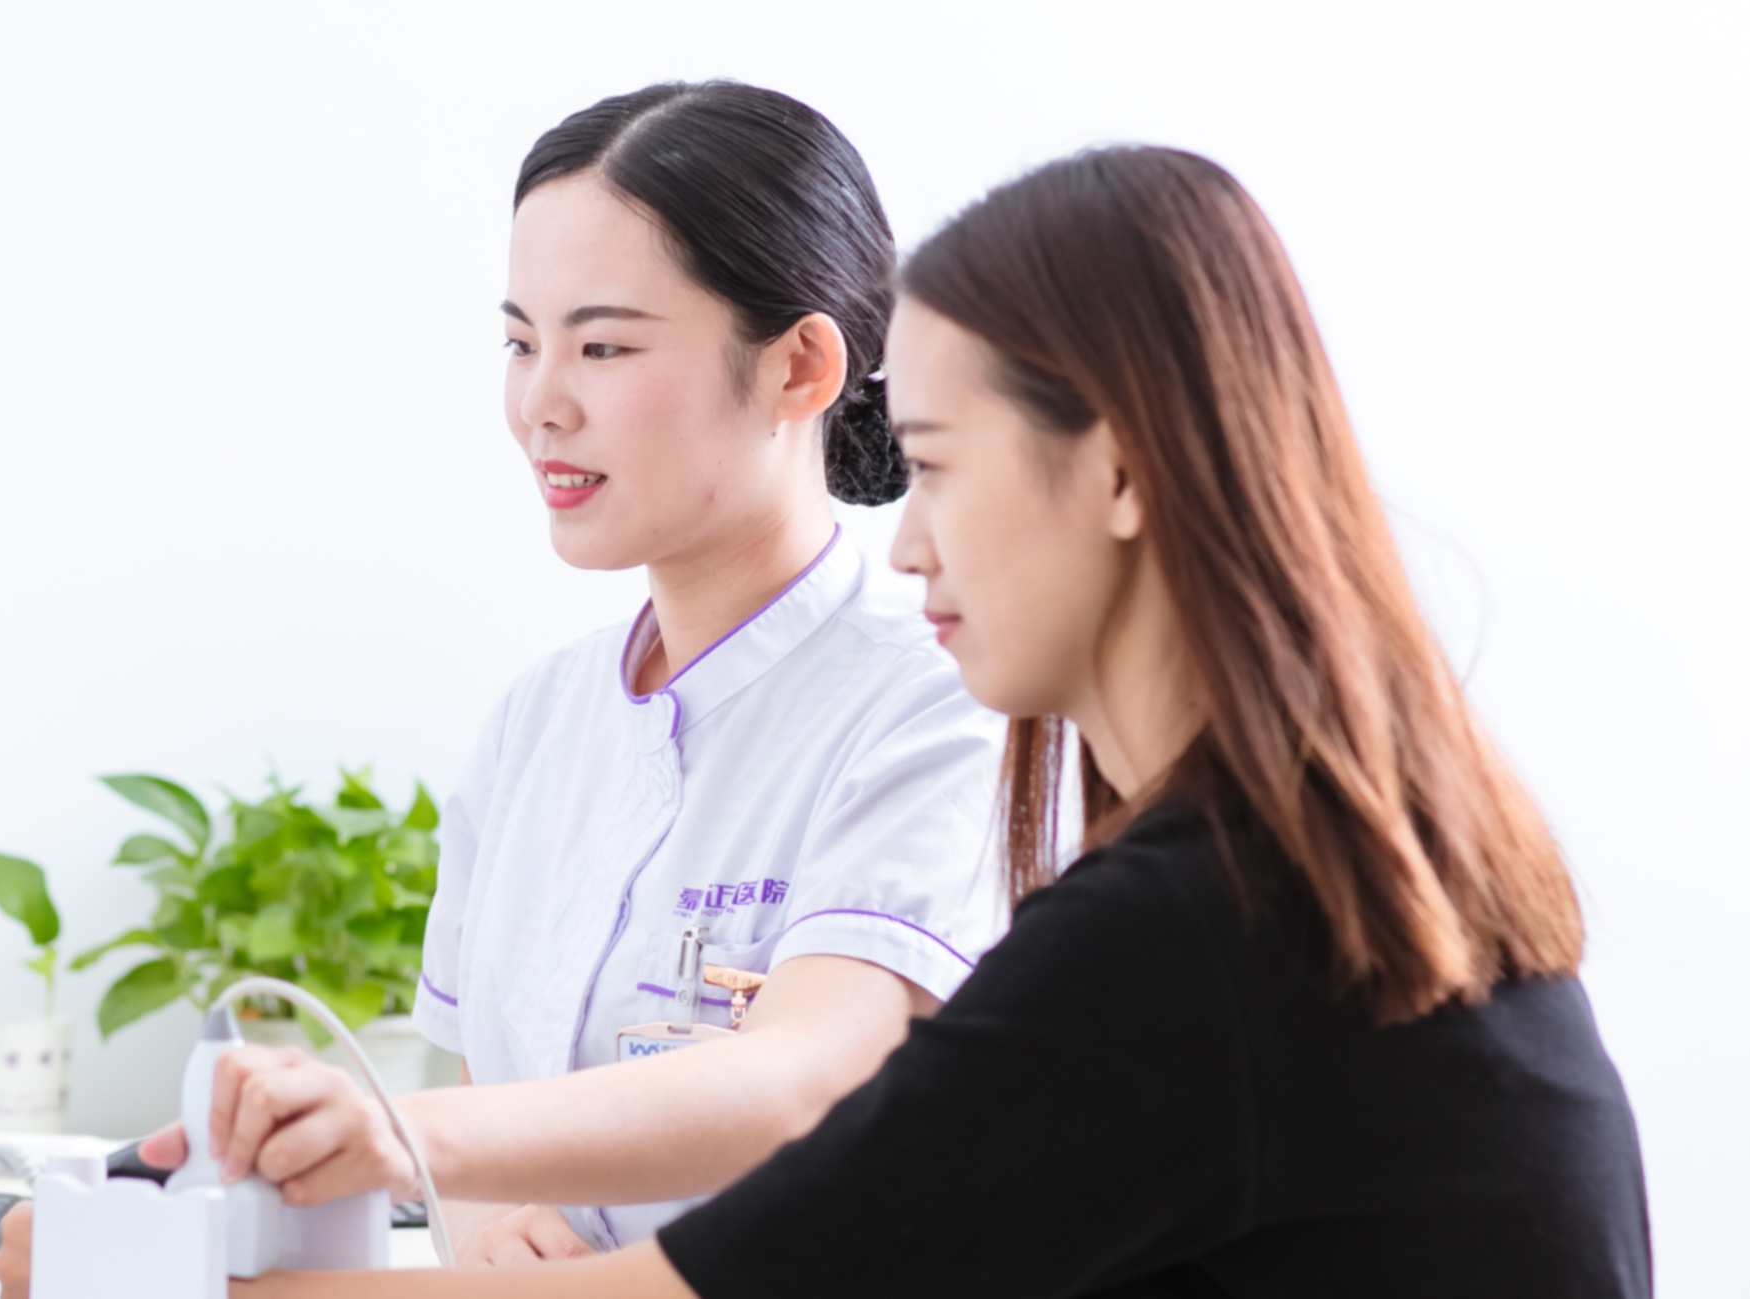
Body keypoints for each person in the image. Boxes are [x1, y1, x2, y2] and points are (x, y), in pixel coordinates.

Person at [231, 144, 1655, 1297]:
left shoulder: (1196, 923)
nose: (909, 543)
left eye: (936, 467)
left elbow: (758, 1210)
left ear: (1118, 471)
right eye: (519, 341)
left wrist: (212, 1260)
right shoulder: (1288, 863)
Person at [0, 80, 1010, 1290]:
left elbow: (808, 1079)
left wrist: (398, 1138)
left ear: (797, 367)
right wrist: (493, 1233)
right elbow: (484, 1115)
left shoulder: (935, 706)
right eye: (521, 344)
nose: (541, 405)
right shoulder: (538, 725)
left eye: (603, 346)